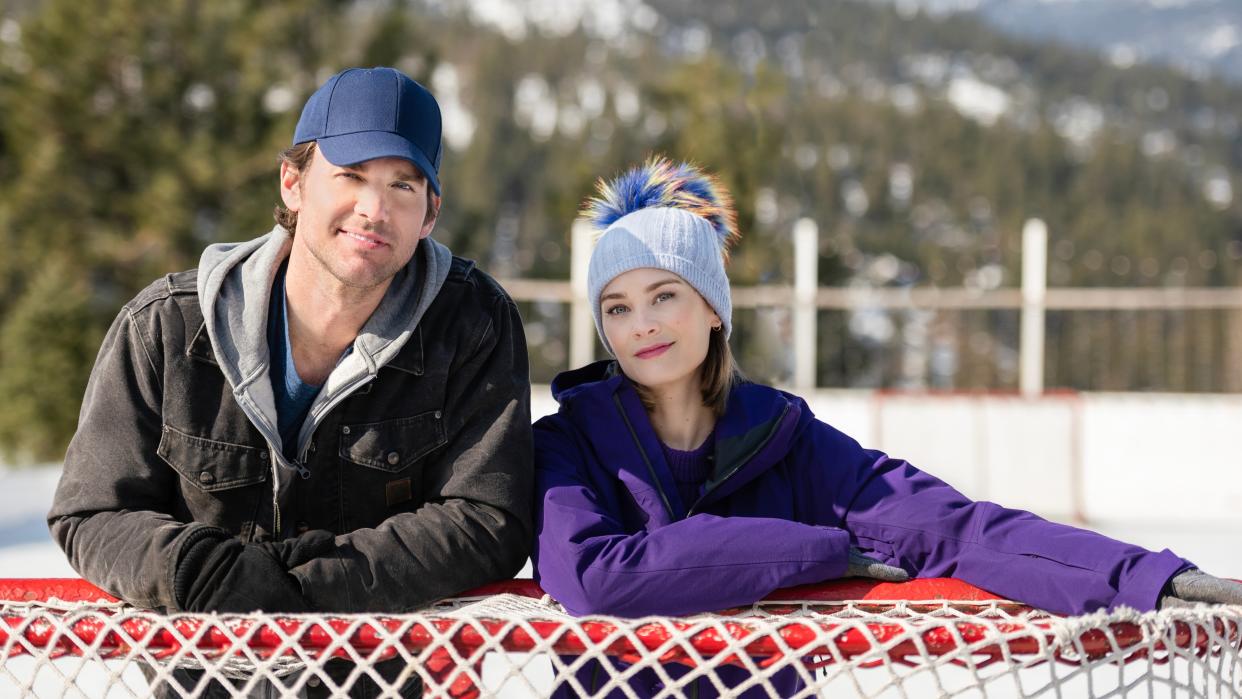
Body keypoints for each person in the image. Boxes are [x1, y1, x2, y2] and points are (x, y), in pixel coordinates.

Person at [530, 155, 1242, 698]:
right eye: (617, 307)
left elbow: (960, 531)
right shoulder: (566, 444)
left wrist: (1147, 577)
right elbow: (595, 577)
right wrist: (820, 551)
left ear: (714, 307)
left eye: (664, 294)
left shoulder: (790, 445)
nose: (643, 322)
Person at [48, 67, 533, 696]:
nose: (374, 209)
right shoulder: (167, 327)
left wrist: (308, 587)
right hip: (202, 682)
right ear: (294, 182)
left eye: (403, 185)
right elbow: (92, 510)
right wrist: (206, 574)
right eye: (350, 176)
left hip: (382, 681)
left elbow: (489, 515)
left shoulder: (473, 325)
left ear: (430, 213)